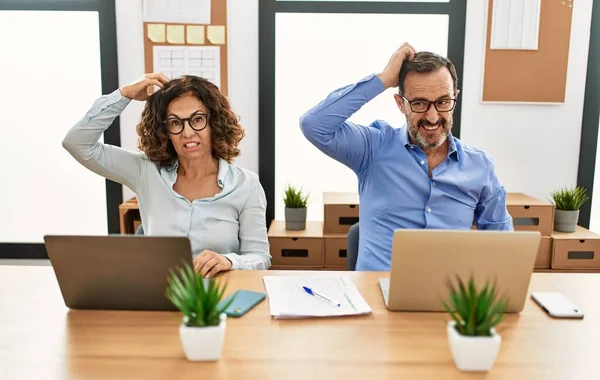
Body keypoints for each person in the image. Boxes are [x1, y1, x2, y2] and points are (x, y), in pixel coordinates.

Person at [299, 43, 513, 272]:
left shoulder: (480, 167)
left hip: (446, 301)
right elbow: (314, 125)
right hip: (376, 298)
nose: (432, 117)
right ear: (400, 104)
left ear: (454, 99)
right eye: (420, 103)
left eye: (442, 102)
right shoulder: (373, 148)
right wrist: (382, 79)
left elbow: (504, 248)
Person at [63, 73, 271, 277]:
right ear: (164, 130)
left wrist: (229, 261)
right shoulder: (145, 170)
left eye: (197, 119)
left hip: (220, 300)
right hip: (160, 298)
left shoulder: (246, 184)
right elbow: (77, 143)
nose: (187, 132)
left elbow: (260, 257)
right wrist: (124, 94)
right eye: (175, 122)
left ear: (214, 123)